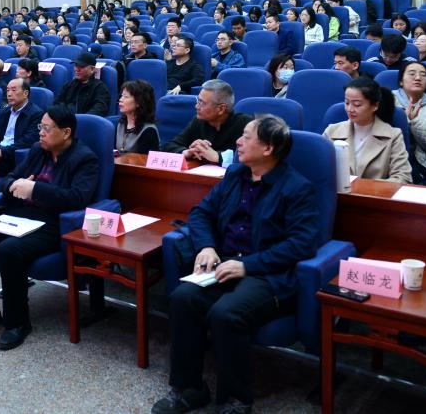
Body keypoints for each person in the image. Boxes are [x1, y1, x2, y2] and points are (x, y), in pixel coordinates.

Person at [152, 115, 319, 414]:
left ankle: (236, 400)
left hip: (267, 275)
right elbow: (201, 213)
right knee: (182, 298)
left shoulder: (297, 188)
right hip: (225, 263)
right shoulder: (235, 175)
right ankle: (190, 388)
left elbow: (301, 244)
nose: (238, 142)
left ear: (268, 148)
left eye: (246, 137)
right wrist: (206, 246)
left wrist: (248, 266)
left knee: (226, 313)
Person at [0, 104, 100, 350]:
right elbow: (10, 178)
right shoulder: (38, 151)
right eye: (40, 127)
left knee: (8, 251)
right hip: (19, 217)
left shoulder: (85, 159)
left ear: (66, 132)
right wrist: (16, 185)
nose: (40, 132)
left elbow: (77, 198)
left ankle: (17, 323)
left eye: (46, 128)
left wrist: (35, 189)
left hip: (52, 224)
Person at [323, 78, 412, 183]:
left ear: (375, 106)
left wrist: (365, 188)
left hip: (376, 193)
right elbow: (318, 170)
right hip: (337, 192)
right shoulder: (332, 131)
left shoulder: (393, 135)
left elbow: (403, 177)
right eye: (347, 103)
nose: (350, 109)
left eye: (357, 104)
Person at [163, 80, 252, 165]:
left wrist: (218, 156)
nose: (196, 106)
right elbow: (170, 146)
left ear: (221, 109)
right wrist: (187, 152)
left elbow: (254, 156)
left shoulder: (245, 124)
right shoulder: (198, 121)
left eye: (202, 103)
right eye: (198, 101)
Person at [392, 62, 426, 178]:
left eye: (423, 75)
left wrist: (414, 122)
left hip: (418, 163)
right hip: (389, 155)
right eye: (412, 74)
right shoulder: (388, 99)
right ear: (401, 81)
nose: (418, 78)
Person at [0, 78, 43, 177]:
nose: (9, 94)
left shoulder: (36, 114)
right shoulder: (6, 111)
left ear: (25, 93)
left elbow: (28, 141)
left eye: (14, 90)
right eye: (7, 90)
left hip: (13, 156)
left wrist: (2, 152)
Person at [116, 80, 160, 154]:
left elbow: (144, 160)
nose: (120, 100)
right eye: (121, 96)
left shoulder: (149, 131)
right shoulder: (120, 124)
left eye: (126, 97)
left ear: (139, 102)